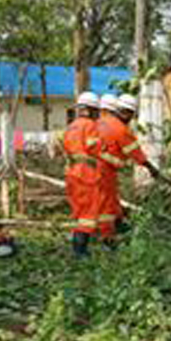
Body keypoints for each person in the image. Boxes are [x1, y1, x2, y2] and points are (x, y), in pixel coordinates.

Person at [97, 93, 160, 249]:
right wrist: (151, 168)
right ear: (127, 113)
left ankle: (119, 225)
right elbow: (135, 152)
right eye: (131, 115)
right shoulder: (120, 129)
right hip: (104, 171)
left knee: (108, 201)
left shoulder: (100, 122)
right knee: (106, 206)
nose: (131, 118)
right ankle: (108, 240)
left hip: (91, 169)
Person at [63, 92, 102, 258]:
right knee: (88, 212)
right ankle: (80, 250)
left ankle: (76, 246)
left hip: (72, 171)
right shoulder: (90, 126)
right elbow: (94, 148)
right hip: (86, 172)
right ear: (91, 110)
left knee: (78, 210)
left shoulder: (71, 126)